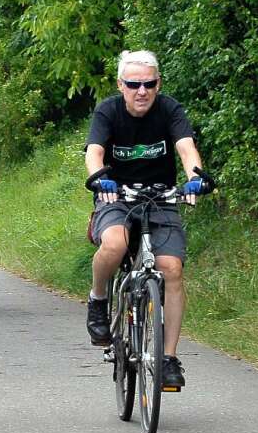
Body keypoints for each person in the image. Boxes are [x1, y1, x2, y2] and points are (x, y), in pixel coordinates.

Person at [85, 49, 209, 389]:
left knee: (172, 268)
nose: (142, 91)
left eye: (149, 84)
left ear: (158, 84)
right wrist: (99, 177)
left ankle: (168, 358)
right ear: (120, 85)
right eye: (133, 84)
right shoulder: (108, 111)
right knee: (115, 243)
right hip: (116, 195)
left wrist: (195, 176)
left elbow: (186, 148)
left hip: (161, 197)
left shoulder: (169, 109)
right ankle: (98, 301)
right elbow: (94, 152)